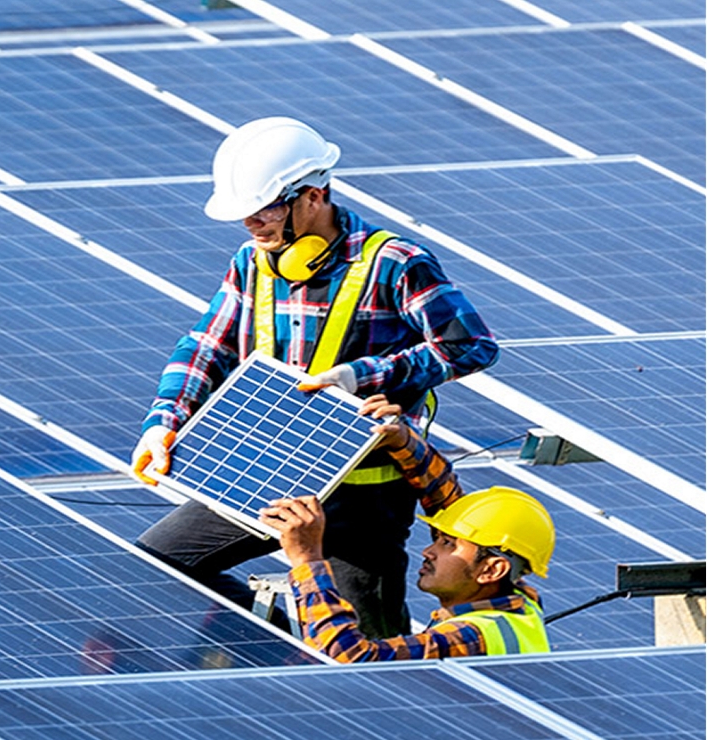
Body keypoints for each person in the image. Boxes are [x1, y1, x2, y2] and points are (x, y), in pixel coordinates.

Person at [131, 116, 499, 638]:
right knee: (153, 564)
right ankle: (283, 641)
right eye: (245, 215)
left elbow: (471, 346)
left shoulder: (394, 262)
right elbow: (206, 346)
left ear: (313, 195)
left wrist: (361, 376)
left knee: (367, 649)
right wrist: (164, 421)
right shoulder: (252, 262)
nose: (253, 225)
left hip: (363, 496)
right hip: (266, 471)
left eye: (265, 210)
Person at [259, 394, 554, 660]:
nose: (428, 551)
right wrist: (403, 442)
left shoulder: (472, 637)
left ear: (492, 570)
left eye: (448, 544)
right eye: (439, 539)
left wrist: (307, 560)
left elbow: (348, 659)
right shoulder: (518, 603)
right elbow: (451, 505)